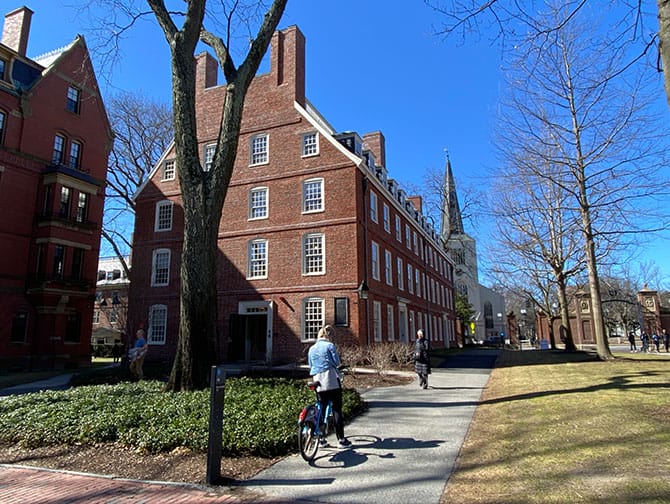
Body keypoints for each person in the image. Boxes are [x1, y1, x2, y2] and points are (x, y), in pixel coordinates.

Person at [307, 324, 350, 448]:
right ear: (327, 336)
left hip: (317, 380)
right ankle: (341, 440)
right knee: (336, 409)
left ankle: (320, 439)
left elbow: (310, 364)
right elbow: (336, 362)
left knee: (321, 407)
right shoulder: (329, 346)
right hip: (329, 378)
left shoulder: (312, 348)